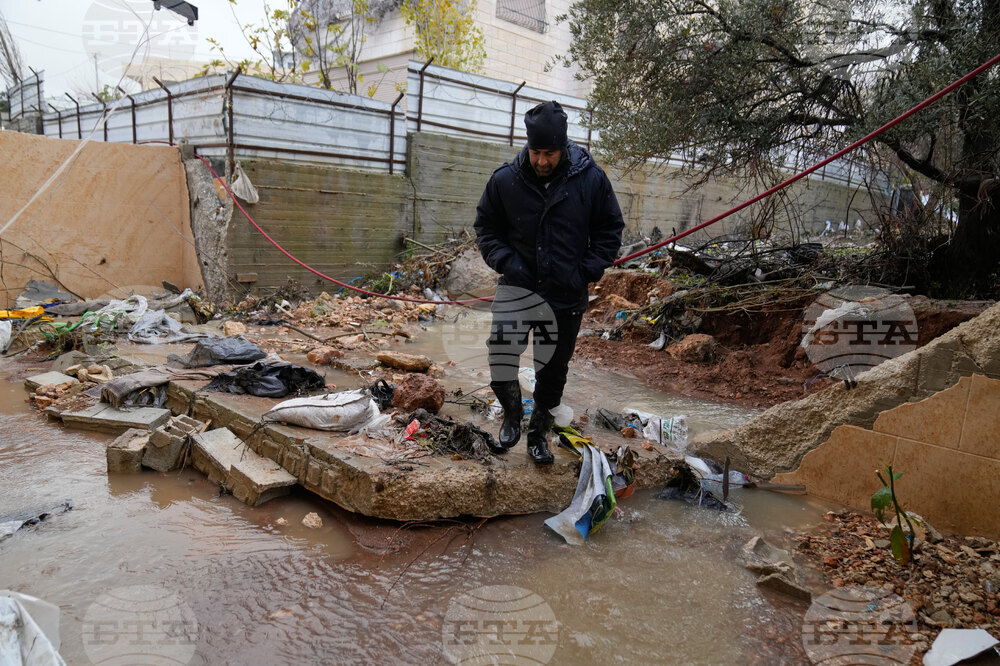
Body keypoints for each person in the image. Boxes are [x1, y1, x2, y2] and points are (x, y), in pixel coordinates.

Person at [474, 100, 624, 465]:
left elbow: (609, 231)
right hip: (517, 287)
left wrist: (585, 271)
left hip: (565, 293)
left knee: (552, 370)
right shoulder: (505, 180)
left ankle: (538, 434)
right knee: (501, 356)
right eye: (536, 152)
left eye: (550, 153)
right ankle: (512, 415)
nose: (542, 161)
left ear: (564, 147)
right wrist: (507, 262)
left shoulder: (591, 180)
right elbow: (486, 229)